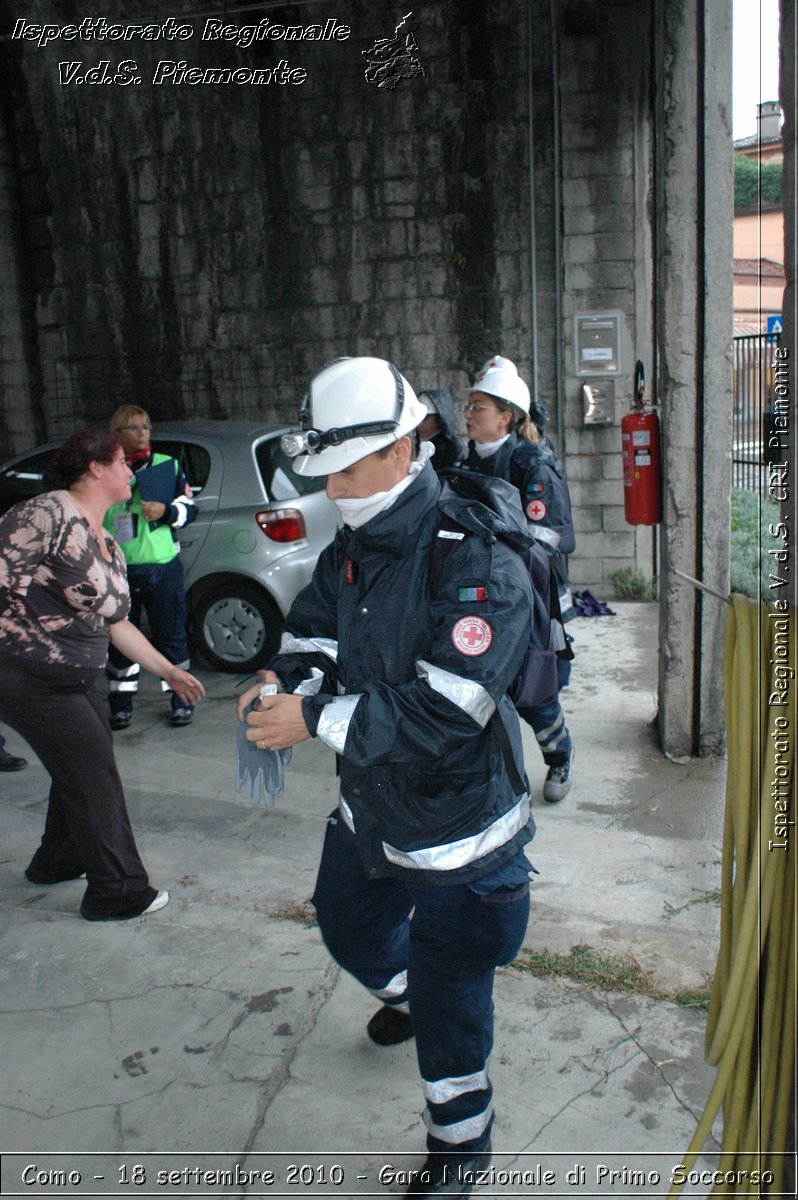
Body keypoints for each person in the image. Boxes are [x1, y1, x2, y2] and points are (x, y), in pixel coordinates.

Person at [239, 357, 535, 1197]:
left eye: (346, 468)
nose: (331, 487)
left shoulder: (474, 551)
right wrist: (283, 681)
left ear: (406, 449)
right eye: (323, 470)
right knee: (347, 926)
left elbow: (451, 708)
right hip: (371, 810)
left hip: (460, 839)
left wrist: (316, 719)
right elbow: (317, 633)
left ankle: (460, 1147)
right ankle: (407, 988)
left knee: (452, 1015)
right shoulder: (359, 539)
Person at [0, 429, 205, 921]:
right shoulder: (46, 512)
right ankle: (117, 892)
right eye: (122, 463)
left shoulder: (105, 536)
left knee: (84, 765)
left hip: (73, 678)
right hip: (29, 675)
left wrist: (167, 670)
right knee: (95, 778)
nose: (132, 473)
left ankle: (58, 860)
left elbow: (116, 621)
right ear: (94, 467)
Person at [460, 355, 576, 802]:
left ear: (505, 416)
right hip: (483, 596)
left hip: (533, 598)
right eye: (468, 406)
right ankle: (501, 776)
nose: (468, 414)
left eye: (478, 407)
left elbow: (546, 538)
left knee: (534, 689)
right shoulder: (467, 459)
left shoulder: (532, 464)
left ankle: (559, 757)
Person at [104, 405, 197, 729]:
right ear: (117, 434)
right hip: (118, 572)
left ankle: (181, 700)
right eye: (134, 427)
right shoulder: (105, 470)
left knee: (171, 640)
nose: (143, 432)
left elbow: (190, 509)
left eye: (146, 426)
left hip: (162, 569)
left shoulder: (167, 467)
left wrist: (167, 511)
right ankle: (120, 705)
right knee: (120, 646)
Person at [416, 388, 466, 473]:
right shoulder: (410, 443)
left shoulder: (454, 448)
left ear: (440, 418)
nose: (420, 424)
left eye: (426, 418)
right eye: (419, 418)